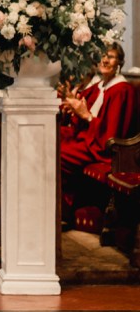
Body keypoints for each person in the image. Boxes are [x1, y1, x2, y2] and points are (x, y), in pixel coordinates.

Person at [60, 43, 136, 225]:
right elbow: (79, 108)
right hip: (88, 137)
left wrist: (86, 115)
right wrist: (72, 105)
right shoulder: (99, 86)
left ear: (120, 63)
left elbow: (112, 134)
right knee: (51, 136)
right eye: (103, 56)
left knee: (57, 153)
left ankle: (64, 210)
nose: (105, 60)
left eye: (111, 57)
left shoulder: (122, 90)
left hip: (102, 146)